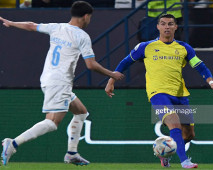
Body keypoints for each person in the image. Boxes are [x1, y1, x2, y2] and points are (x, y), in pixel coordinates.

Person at [0, 1, 124, 166]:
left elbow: (31, 25)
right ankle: (13, 144)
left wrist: (12, 23)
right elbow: (91, 65)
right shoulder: (82, 36)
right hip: (60, 81)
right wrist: (112, 74)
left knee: (81, 112)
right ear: (86, 16)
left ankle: (71, 153)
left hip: (50, 78)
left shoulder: (56, 27)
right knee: (52, 122)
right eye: (90, 17)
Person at [105, 14, 213, 168]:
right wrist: (111, 80)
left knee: (189, 133)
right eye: (163, 23)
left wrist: (211, 82)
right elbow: (125, 62)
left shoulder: (184, 48)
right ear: (158, 27)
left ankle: (164, 152)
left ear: (175, 27)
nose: (167, 26)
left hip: (180, 95)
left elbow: (200, 66)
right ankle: (185, 161)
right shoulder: (145, 47)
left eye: (170, 24)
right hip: (158, 94)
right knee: (175, 125)